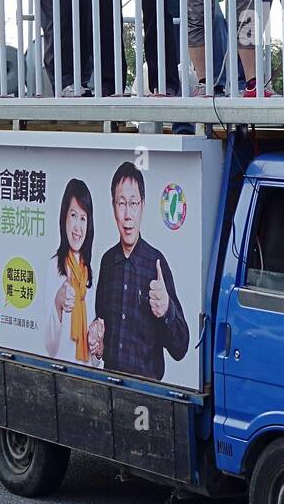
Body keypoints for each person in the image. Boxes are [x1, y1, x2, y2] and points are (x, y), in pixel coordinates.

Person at [90, 162, 188, 380]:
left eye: (133, 203)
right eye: (121, 203)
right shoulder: (107, 262)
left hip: (147, 393)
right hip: (110, 387)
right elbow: (102, 326)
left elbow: (181, 348)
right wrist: (98, 343)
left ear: (143, 206)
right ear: (113, 206)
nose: (127, 214)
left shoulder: (157, 263)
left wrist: (166, 310)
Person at [44, 179, 99, 364]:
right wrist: (58, 304)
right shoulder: (54, 267)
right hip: (60, 374)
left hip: (87, 375)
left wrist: (98, 344)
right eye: (73, 215)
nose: (78, 227)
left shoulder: (90, 273)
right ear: (64, 218)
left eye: (83, 218)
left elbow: (96, 359)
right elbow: (49, 347)